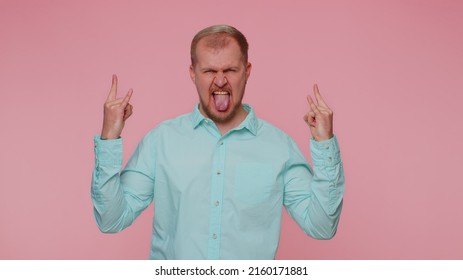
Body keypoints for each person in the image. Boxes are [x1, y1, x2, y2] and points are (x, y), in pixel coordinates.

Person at [91, 25, 345, 260]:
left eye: (230, 70)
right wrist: (109, 137)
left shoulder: (279, 147)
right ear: (193, 73)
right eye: (209, 71)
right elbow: (111, 220)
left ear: (247, 72)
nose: (220, 80)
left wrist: (324, 144)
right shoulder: (161, 141)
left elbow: (322, 227)